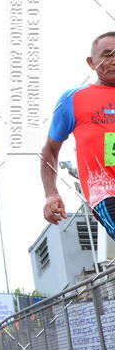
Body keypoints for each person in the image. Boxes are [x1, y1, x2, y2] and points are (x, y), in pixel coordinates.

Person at [42, 31, 115, 243]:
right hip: (106, 192)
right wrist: (51, 194)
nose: (114, 60)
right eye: (107, 54)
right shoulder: (73, 99)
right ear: (92, 63)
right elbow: (50, 149)